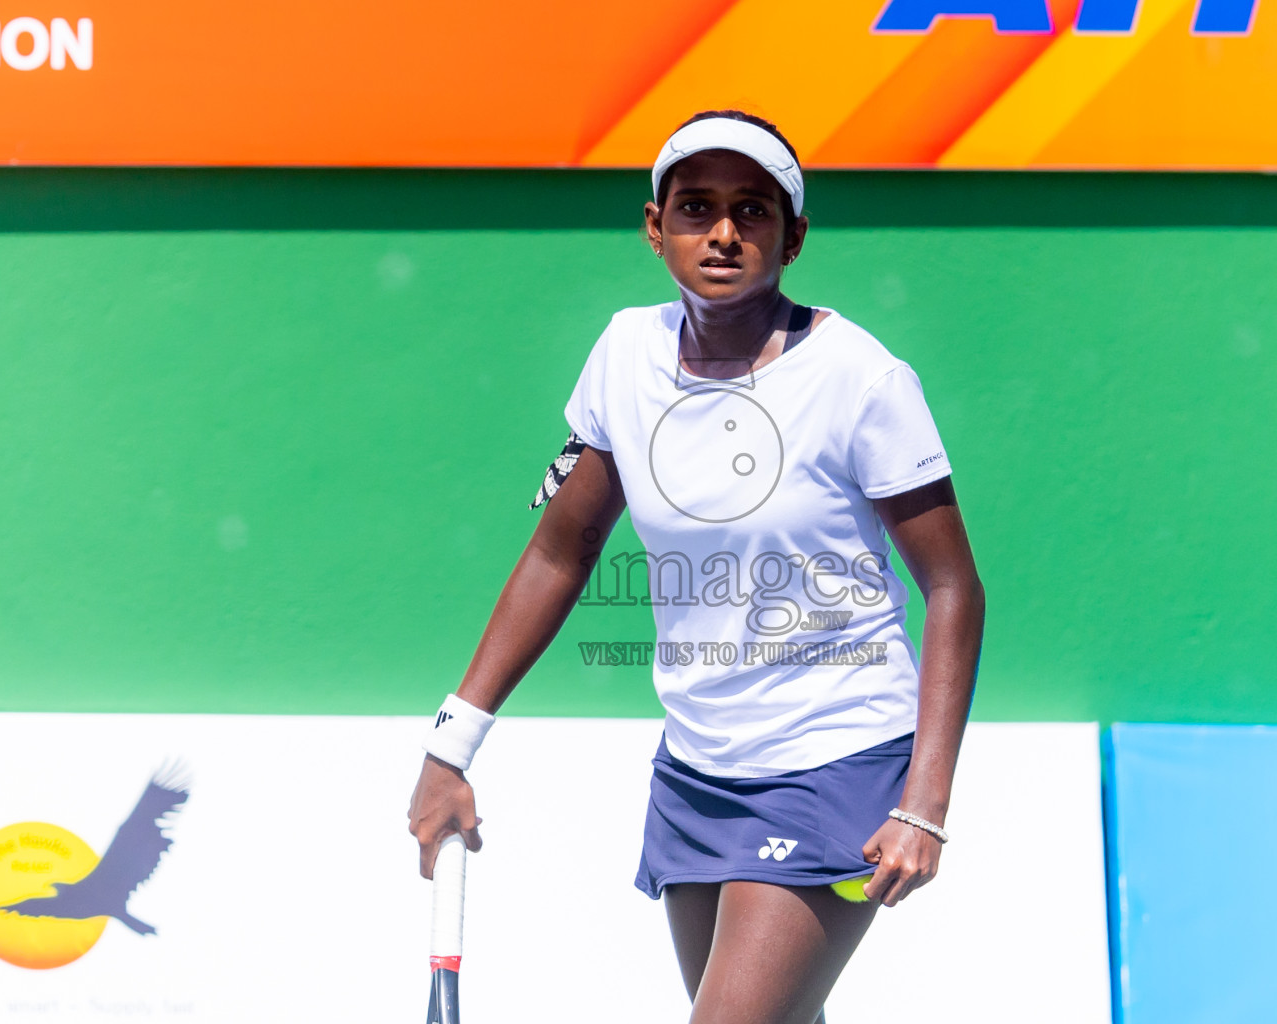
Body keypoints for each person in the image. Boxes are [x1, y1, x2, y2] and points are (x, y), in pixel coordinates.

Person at [408, 109, 985, 1024]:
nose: (723, 233)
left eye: (752, 210)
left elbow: (954, 589)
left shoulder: (863, 380)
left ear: (793, 236)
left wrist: (925, 804)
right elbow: (562, 550)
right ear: (655, 226)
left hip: (837, 763)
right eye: (697, 207)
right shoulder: (623, 354)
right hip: (697, 769)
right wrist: (453, 743)